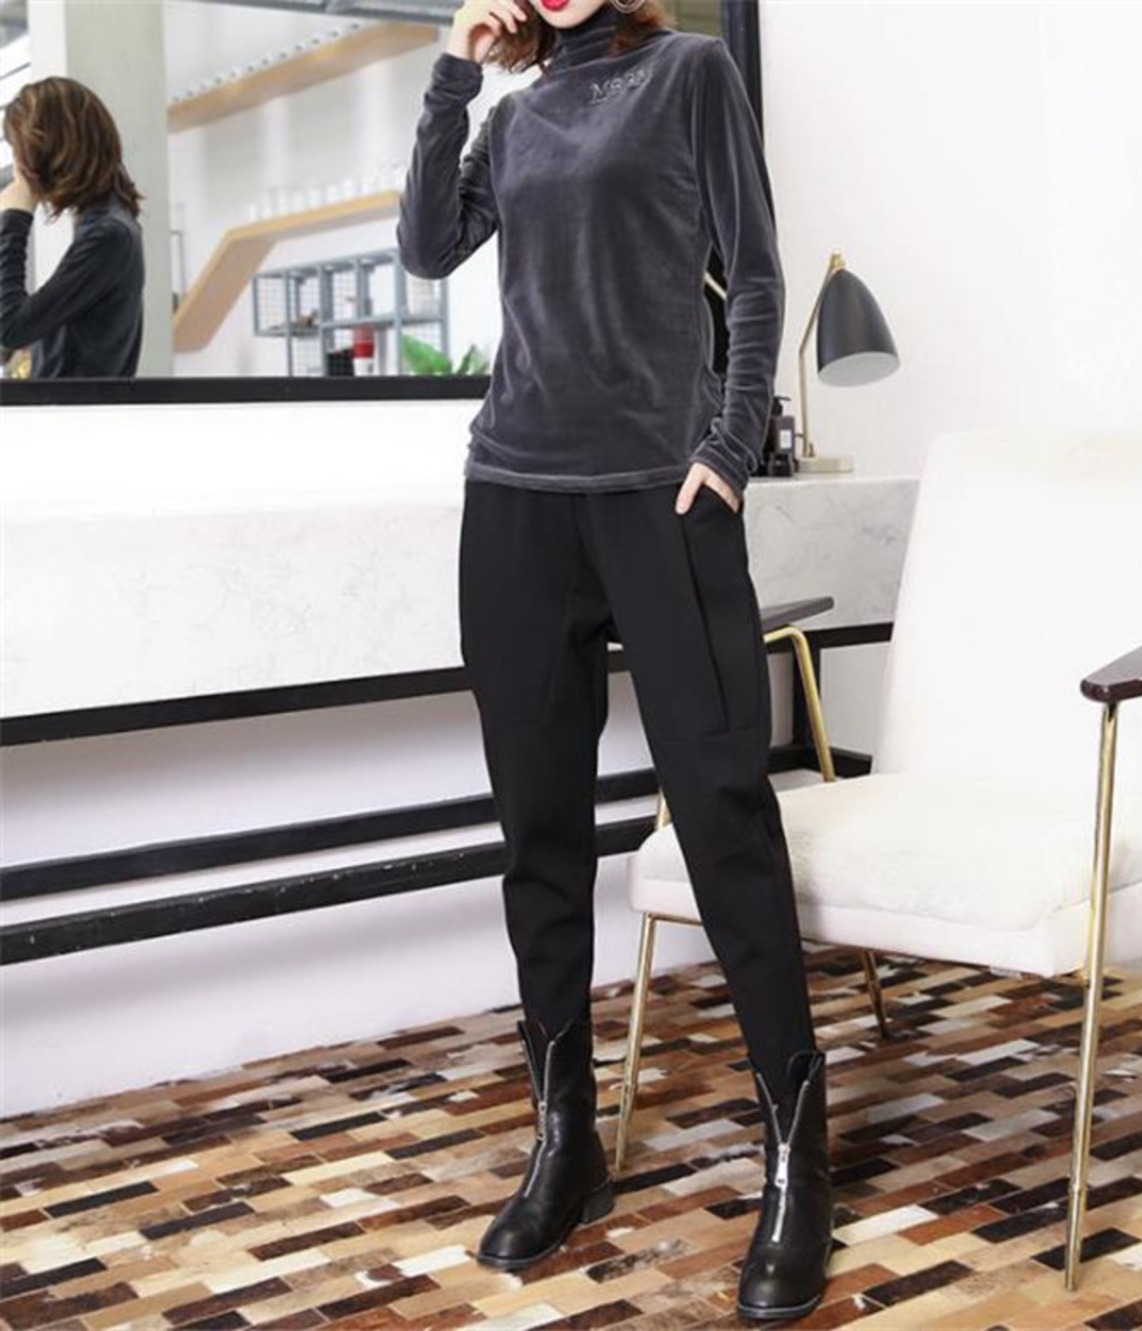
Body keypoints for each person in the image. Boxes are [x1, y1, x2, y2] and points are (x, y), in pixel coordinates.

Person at [398, 0, 831, 1319]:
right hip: (515, 499)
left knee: (724, 809)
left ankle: (797, 1155)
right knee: (537, 831)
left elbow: (755, 274)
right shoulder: (515, 114)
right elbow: (425, 247)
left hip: (662, 494)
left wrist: (730, 446)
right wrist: (449, 76)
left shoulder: (690, 74)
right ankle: (565, 1141)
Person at [0, 77, 145, 378]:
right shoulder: (109, 225)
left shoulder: (108, 234)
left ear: (49, 150)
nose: (17, 167)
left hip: (69, 409)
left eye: (19, 151)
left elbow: (10, 327)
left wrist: (14, 218)